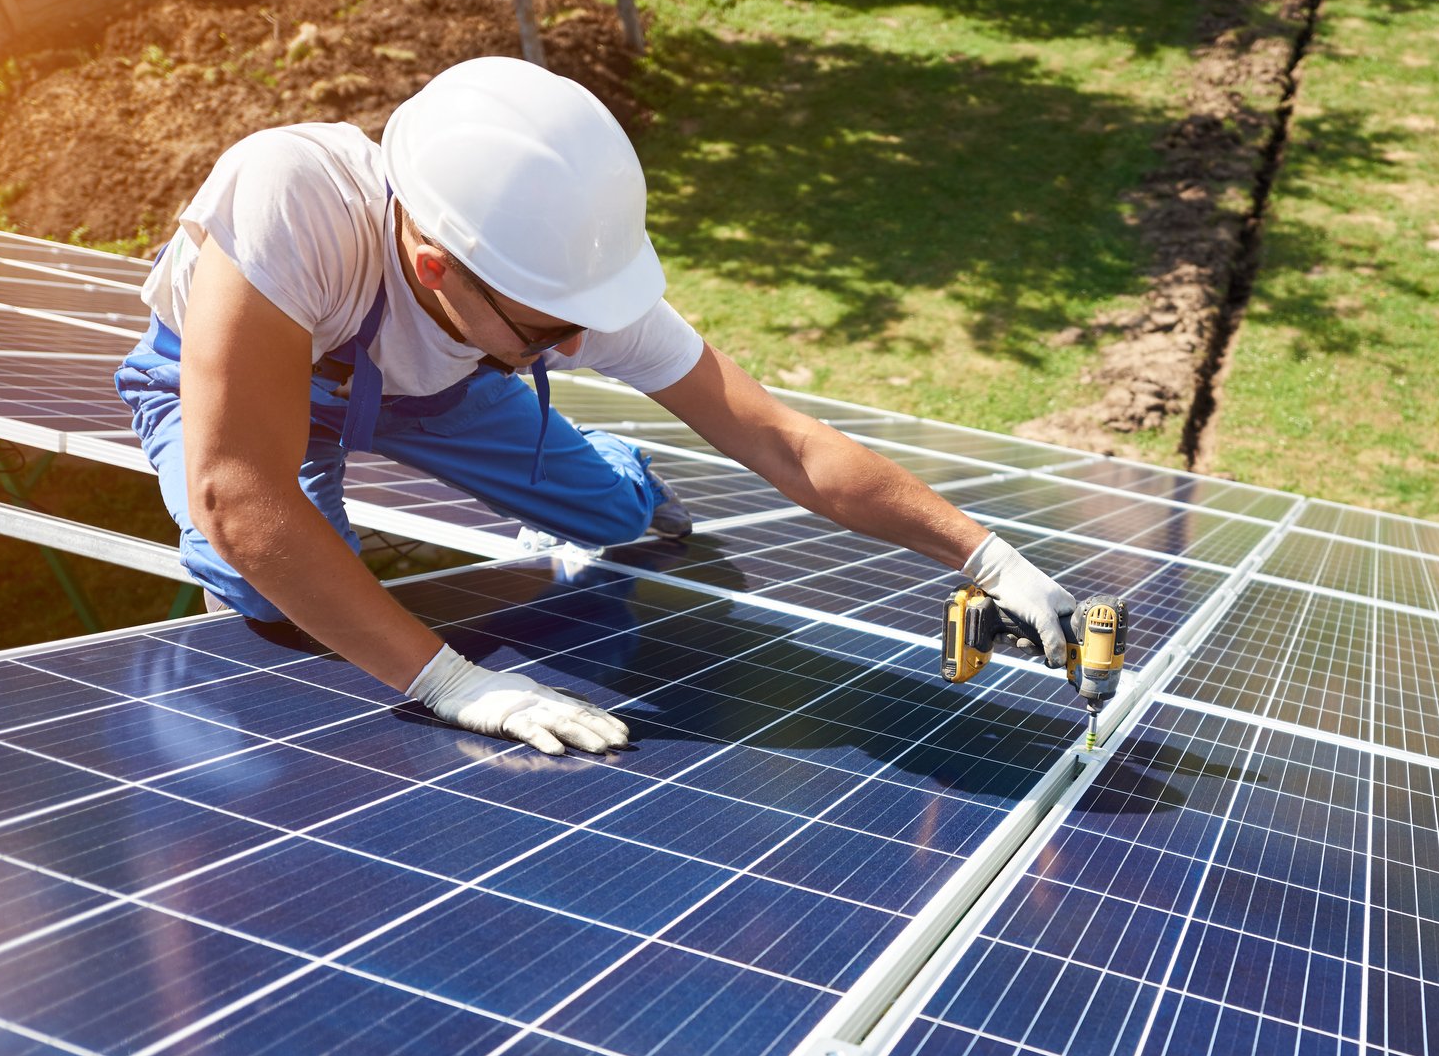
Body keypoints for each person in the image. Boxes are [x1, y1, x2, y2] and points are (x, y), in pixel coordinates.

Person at [114, 56, 1076, 756]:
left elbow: (786, 443)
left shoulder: (552, 286)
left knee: (622, 517)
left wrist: (989, 557)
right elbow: (242, 492)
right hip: (255, 391)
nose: (577, 346)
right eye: (547, 334)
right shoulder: (292, 198)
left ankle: (610, 466)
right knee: (258, 583)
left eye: (582, 322)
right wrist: (451, 682)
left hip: (441, 385)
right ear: (434, 265)